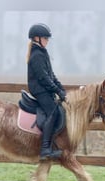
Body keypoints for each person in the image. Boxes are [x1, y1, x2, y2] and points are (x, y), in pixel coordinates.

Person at [26, 23, 67, 160]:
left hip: (44, 89)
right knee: (53, 112)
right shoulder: (37, 55)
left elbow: (51, 75)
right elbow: (43, 78)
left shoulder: (42, 52)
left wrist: (60, 88)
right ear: (36, 38)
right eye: (45, 38)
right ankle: (45, 149)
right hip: (39, 90)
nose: (47, 40)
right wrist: (56, 90)